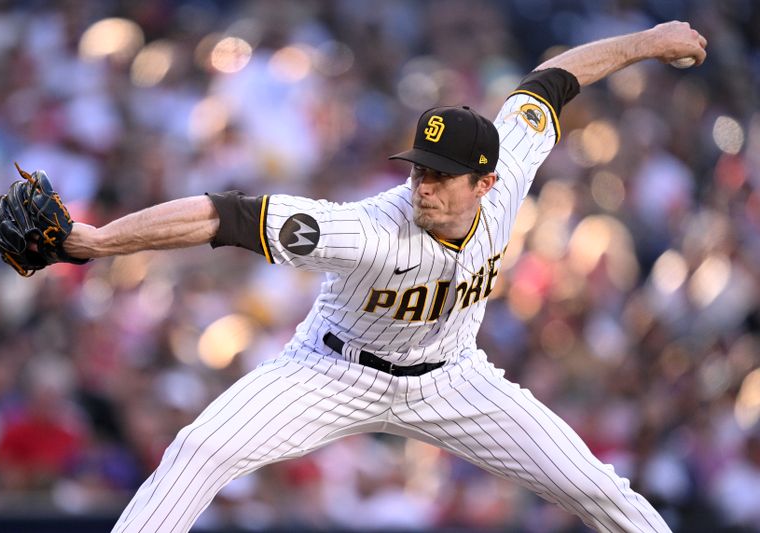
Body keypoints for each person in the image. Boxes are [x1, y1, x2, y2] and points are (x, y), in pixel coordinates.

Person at [59, 21, 707, 533]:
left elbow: (555, 78)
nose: (422, 184)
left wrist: (647, 43)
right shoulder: (367, 229)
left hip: (453, 377)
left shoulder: (507, 172)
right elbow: (221, 215)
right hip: (331, 372)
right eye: (418, 168)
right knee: (199, 449)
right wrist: (98, 238)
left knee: (598, 489)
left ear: (485, 181)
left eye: (439, 175)